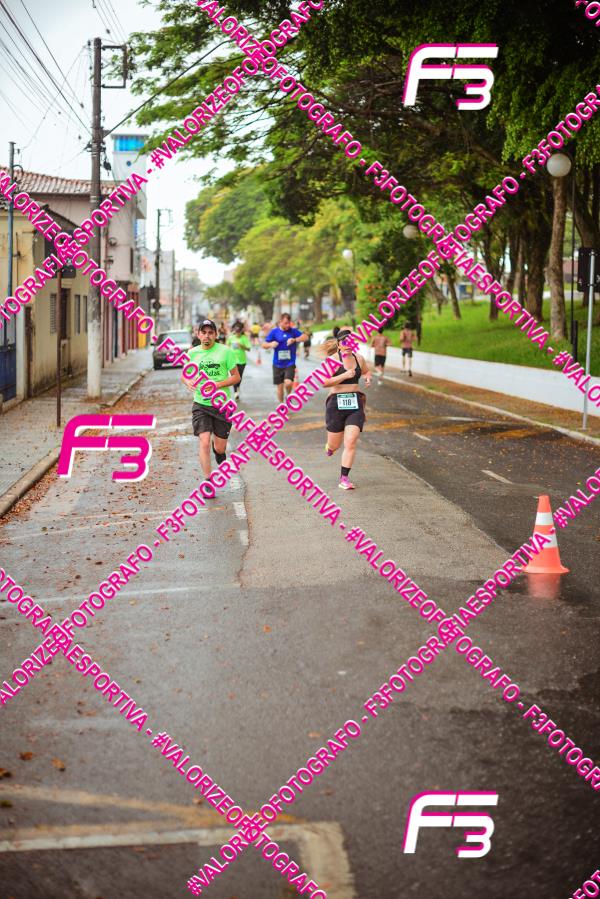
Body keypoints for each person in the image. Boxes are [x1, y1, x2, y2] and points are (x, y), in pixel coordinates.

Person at [183, 319, 240, 480]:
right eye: (204, 332)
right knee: (204, 441)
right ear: (198, 334)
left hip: (222, 405)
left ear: (216, 335)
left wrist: (217, 385)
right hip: (201, 403)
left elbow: (236, 377)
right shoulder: (192, 353)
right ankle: (208, 480)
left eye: (210, 333)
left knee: (220, 448)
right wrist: (188, 381)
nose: (207, 336)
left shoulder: (226, 352)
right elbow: (185, 374)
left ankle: (219, 452)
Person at [320, 328, 371, 490]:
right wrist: (344, 375)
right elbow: (324, 382)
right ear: (339, 344)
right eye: (345, 342)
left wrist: (367, 377)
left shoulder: (359, 358)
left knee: (351, 440)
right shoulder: (332, 361)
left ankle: (344, 478)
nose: (348, 345)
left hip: (355, 403)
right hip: (336, 404)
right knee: (334, 445)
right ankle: (330, 447)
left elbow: (366, 371)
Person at [263, 313, 307, 402]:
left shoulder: (293, 331)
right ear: (280, 322)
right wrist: (271, 344)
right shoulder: (274, 332)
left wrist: (294, 340)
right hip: (277, 364)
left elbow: (305, 337)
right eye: (285, 323)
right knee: (280, 387)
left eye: (289, 323)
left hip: (290, 363)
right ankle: (281, 404)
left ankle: (288, 394)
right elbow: (264, 345)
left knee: (288, 383)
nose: (287, 325)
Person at [227, 321, 251, 399]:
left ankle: (237, 388)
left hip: (242, 361)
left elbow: (249, 349)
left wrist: (242, 346)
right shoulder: (231, 338)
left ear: (241, 331)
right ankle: (235, 392)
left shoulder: (244, 338)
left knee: (239, 377)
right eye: (236, 331)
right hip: (233, 361)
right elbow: (227, 348)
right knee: (234, 376)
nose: (237, 333)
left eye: (239, 331)